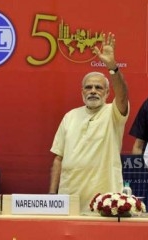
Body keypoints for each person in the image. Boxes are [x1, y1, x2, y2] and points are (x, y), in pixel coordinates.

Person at [49, 33, 129, 212]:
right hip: (69, 196)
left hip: (104, 199)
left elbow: (123, 96)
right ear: (82, 92)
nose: (93, 91)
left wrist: (112, 67)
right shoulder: (70, 116)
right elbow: (58, 158)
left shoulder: (113, 112)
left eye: (99, 87)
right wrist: (52, 196)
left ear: (108, 93)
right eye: (88, 87)